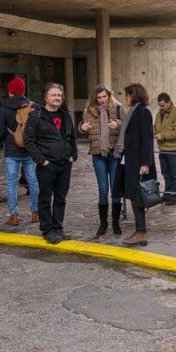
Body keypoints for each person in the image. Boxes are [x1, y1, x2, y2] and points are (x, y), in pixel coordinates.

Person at [23, 82, 78, 244]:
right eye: (54, 95)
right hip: (47, 165)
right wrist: (42, 160)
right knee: (45, 198)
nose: (57, 98)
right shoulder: (36, 116)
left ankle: (58, 228)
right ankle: (47, 229)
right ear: (45, 97)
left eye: (59, 95)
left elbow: (72, 137)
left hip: (65, 164)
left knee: (61, 198)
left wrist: (73, 155)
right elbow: (29, 141)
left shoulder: (65, 114)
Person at [114, 83, 157, 247]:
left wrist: (145, 163)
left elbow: (147, 139)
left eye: (127, 94)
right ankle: (140, 231)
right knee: (133, 195)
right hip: (129, 160)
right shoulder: (133, 112)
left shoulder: (143, 112)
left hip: (138, 162)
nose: (125, 98)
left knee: (137, 196)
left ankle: (141, 232)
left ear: (134, 95)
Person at [0, 76, 39, 227]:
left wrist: (9, 136)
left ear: (10, 92)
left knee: (11, 183)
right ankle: (35, 212)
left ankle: (14, 216)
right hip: (30, 150)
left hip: (11, 151)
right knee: (33, 181)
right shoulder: (34, 107)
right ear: (23, 91)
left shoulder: (3, 109)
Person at [79, 84, 123, 238]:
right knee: (103, 189)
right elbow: (84, 129)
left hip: (114, 154)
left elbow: (126, 128)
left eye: (105, 96)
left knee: (115, 189)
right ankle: (103, 223)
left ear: (109, 96)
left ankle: (116, 223)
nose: (102, 100)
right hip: (98, 154)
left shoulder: (118, 108)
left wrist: (118, 124)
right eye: (99, 97)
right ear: (95, 98)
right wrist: (82, 128)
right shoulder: (89, 111)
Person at [154, 92, 176, 206]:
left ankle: (174, 196)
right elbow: (156, 127)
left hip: (173, 149)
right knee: (165, 173)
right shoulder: (158, 114)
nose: (161, 108)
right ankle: (167, 194)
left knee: (174, 174)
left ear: (169, 103)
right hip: (162, 148)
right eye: (159, 105)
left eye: (163, 105)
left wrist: (163, 135)